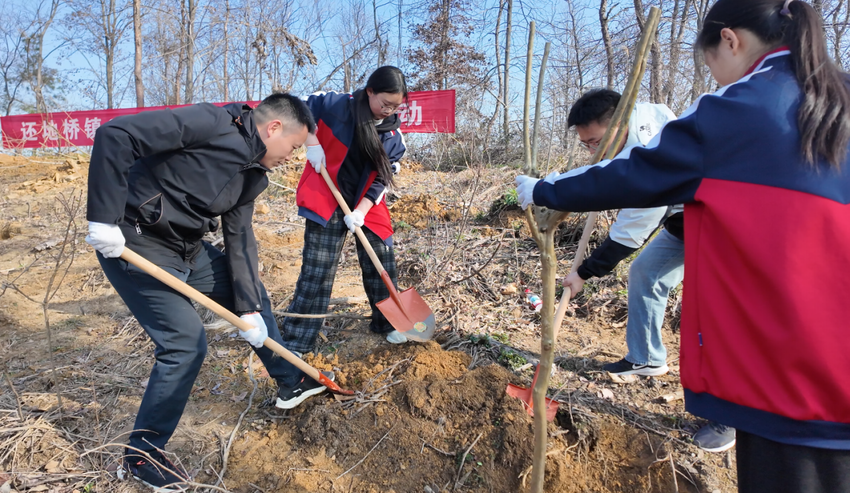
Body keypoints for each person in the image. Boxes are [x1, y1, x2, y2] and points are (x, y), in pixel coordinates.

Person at [516, 1, 850, 490]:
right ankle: (649, 358)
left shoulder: (736, 110)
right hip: (823, 333)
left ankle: (707, 401)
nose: (714, 77)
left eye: (710, 62)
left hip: (790, 369)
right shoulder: (835, 93)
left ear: (730, 40)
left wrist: (546, 192)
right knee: (648, 271)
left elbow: (633, 193)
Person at [85, 94, 320, 492]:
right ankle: (143, 455)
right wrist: (104, 217)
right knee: (185, 344)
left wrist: (248, 309)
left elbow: (240, 239)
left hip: (186, 248)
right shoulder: (210, 124)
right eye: (294, 146)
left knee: (252, 295)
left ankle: (290, 380)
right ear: (274, 128)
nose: (292, 157)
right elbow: (116, 134)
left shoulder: (254, 175)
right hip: (133, 241)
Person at [563, 89, 735, 453]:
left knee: (713, 316)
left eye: (595, 142)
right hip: (684, 220)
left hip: (720, 223)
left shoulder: (648, 149)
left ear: (619, 124)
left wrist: (584, 273)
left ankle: (729, 415)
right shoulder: (641, 120)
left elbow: (631, 232)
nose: (592, 151)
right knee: (647, 272)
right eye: (586, 144)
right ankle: (646, 358)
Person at [273, 66, 408, 409]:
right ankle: (298, 339)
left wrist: (360, 211)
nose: (389, 110)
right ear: (370, 91)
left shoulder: (393, 137)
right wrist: (312, 142)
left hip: (363, 202)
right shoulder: (335, 105)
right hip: (326, 193)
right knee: (318, 270)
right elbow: (296, 106)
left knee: (381, 258)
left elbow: (382, 180)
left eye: (396, 106)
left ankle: (389, 323)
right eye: (385, 103)